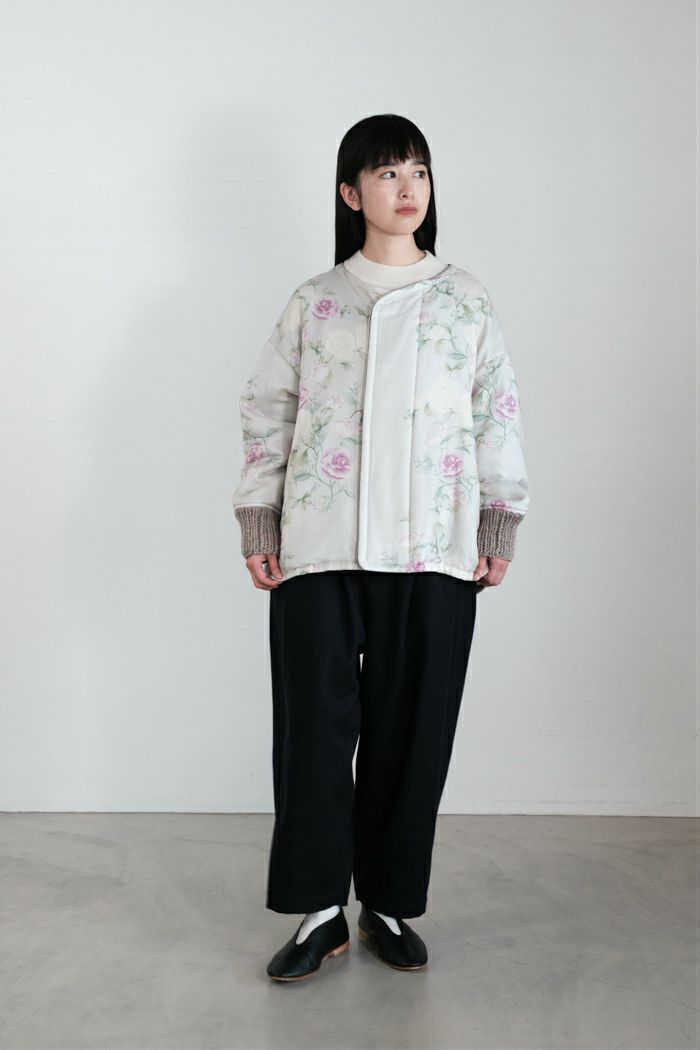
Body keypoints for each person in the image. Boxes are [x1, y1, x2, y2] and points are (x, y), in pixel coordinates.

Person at [231, 113, 530, 981]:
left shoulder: (465, 298)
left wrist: (499, 521)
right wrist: (259, 519)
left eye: (419, 172)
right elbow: (268, 411)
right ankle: (320, 910)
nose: (408, 188)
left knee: (414, 730)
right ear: (350, 192)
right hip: (319, 547)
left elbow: (496, 414)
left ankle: (389, 904)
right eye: (389, 172)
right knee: (314, 734)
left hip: (434, 547)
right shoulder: (316, 300)